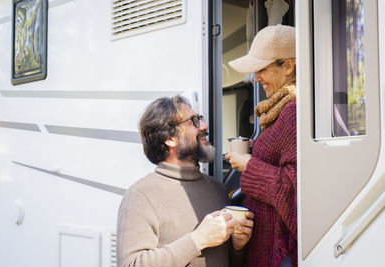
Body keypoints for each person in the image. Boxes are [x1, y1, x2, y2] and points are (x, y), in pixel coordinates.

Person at [116, 95, 254, 267]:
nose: (204, 126)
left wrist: (237, 247)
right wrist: (199, 239)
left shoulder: (217, 188)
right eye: (193, 121)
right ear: (170, 139)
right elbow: (132, 264)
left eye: (200, 119)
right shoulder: (140, 196)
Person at [226, 24, 297, 267]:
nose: (256, 78)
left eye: (262, 69)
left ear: (288, 66)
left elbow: (293, 189)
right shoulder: (281, 108)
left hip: (280, 251)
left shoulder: (292, 112)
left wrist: (249, 166)